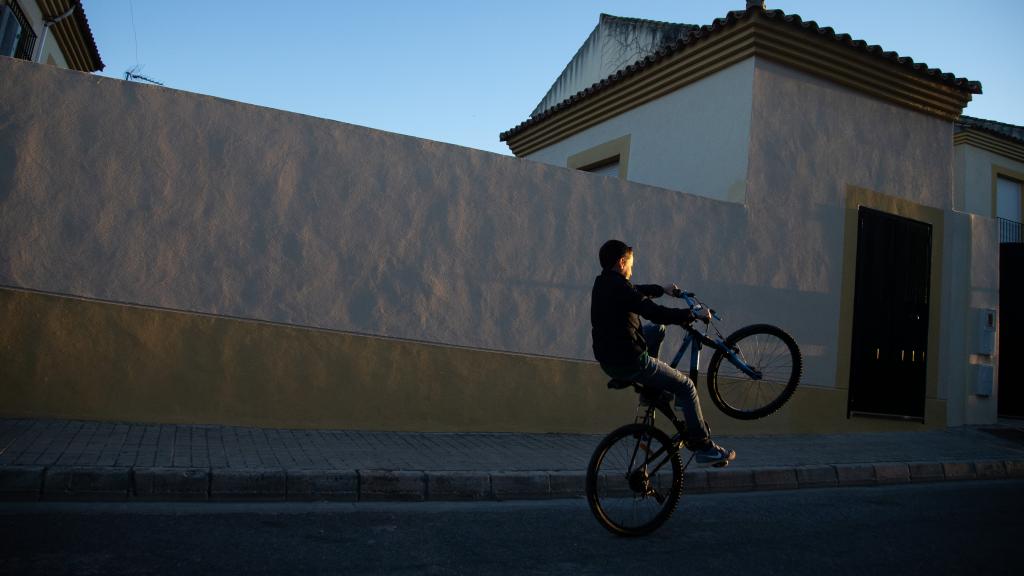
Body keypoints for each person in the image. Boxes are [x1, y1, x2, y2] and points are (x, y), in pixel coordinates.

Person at [591, 239, 736, 466]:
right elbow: (655, 313)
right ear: (621, 263)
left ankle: (651, 390)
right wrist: (691, 315)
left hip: (609, 358)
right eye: (630, 264)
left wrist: (662, 289)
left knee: (656, 331)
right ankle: (704, 448)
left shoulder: (603, 283)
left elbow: (635, 292)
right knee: (686, 387)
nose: (631, 270)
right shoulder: (621, 288)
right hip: (630, 360)